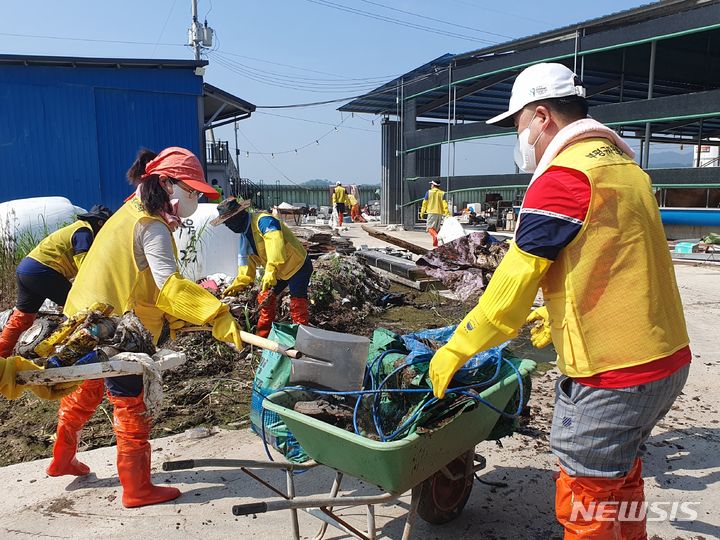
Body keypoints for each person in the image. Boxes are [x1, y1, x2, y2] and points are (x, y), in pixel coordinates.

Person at [428, 63, 690, 539]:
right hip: (665, 359)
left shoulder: (565, 178)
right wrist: (555, 312)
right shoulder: (626, 169)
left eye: (518, 124)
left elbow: (508, 290)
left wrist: (459, 347)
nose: (519, 136)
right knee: (617, 477)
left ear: (542, 116)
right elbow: (613, 259)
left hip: (614, 371)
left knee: (585, 497)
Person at [46, 147, 244, 509]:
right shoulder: (150, 226)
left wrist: (177, 317)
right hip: (116, 328)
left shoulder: (129, 212)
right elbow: (168, 284)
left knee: (86, 388)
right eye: (193, 191)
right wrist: (215, 313)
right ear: (168, 184)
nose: (195, 198)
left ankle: (62, 459)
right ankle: (136, 487)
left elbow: (146, 283)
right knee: (130, 403)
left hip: (83, 322)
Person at [0, 205, 113, 358]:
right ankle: (68, 353)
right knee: (76, 307)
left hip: (27, 269)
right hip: (42, 270)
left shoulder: (78, 229)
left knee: (23, 317)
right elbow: (85, 265)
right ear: (101, 223)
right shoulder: (84, 231)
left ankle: (2, 354)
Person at [212, 197, 312, 338]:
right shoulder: (244, 238)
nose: (228, 226)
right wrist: (238, 284)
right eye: (225, 223)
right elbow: (246, 266)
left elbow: (275, 243)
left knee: (297, 303)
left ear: (239, 216)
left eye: (229, 222)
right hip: (278, 271)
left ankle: (303, 338)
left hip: (297, 265)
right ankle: (263, 336)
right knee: (265, 298)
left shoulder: (264, 221)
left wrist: (270, 270)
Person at [419, 180, 450, 247]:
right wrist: (447, 213)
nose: (431, 185)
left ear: (433, 185)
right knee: (436, 230)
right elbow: (445, 204)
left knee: (430, 228)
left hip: (431, 212)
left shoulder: (429, 192)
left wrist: (422, 212)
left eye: (431, 184)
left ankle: (436, 236)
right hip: (440, 213)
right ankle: (435, 245)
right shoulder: (442, 193)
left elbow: (424, 203)